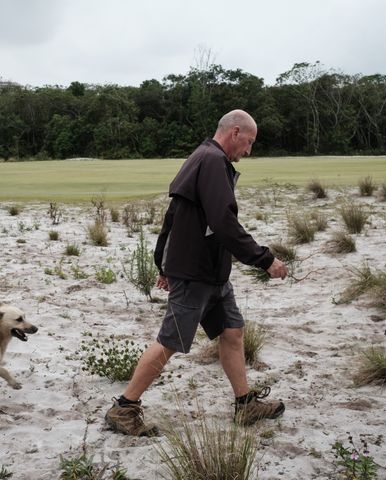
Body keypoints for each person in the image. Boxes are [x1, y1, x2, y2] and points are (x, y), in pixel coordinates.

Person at [105, 109, 288, 436]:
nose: (249, 151)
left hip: (213, 273)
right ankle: (124, 407)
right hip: (196, 274)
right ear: (234, 133)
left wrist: (163, 262)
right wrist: (264, 260)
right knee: (169, 342)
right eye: (249, 142)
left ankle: (245, 405)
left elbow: (173, 215)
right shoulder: (212, 161)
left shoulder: (203, 158)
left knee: (232, 332)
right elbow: (223, 222)